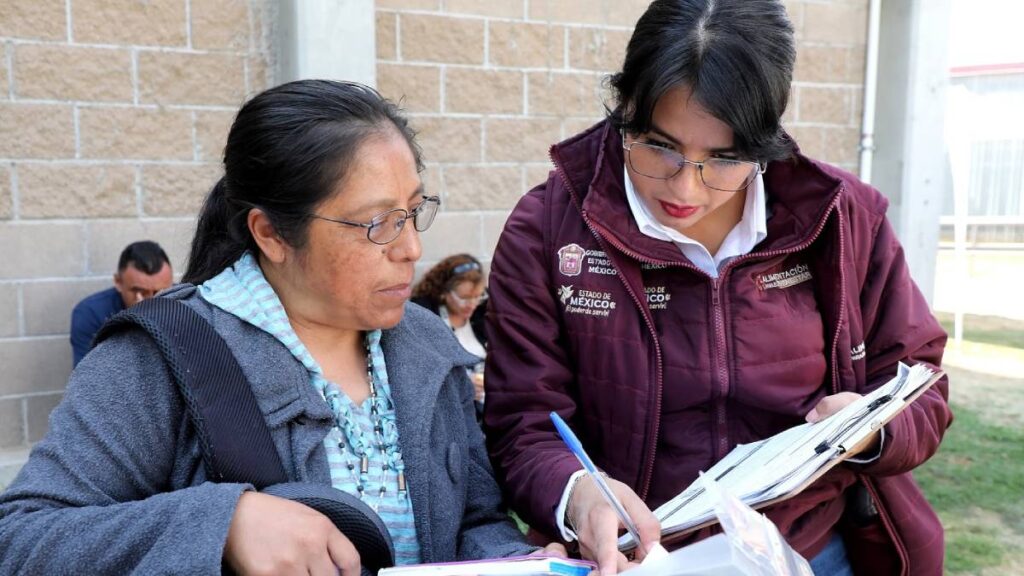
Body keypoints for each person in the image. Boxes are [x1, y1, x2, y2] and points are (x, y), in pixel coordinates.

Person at [0, 80, 558, 574]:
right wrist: (225, 524)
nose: (411, 248)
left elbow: (476, 519)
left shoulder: (424, 343)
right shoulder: (160, 357)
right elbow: (22, 539)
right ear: (270, 233)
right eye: (378, 224)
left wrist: (518, 564)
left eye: (413, 211)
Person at [483, 2, 952, 575]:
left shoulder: (844, 215)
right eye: (659, 146)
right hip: (637, 559)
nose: (686, 186)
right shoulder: (547, 231)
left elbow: (920, 380)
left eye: (725, 159)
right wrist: (575, 491)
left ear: (767, 136)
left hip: (812, 550)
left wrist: (870, 429)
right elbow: (522, 421)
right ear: (625, 108)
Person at [69, 240, 173, 366]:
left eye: (159, 292)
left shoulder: (185, 305)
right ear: (118, 282)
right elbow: (86, 379)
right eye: (140, 291)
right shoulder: (90, 313)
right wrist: (138, 323)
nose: (151, 300)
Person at [412, 254, 489, 405]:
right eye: (464, 298)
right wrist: (460, 384)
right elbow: (421, 370)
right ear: (444, 293)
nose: (472, 304)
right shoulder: (426, 319)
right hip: (454, 404)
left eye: (477, 296)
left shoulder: (484, 311)